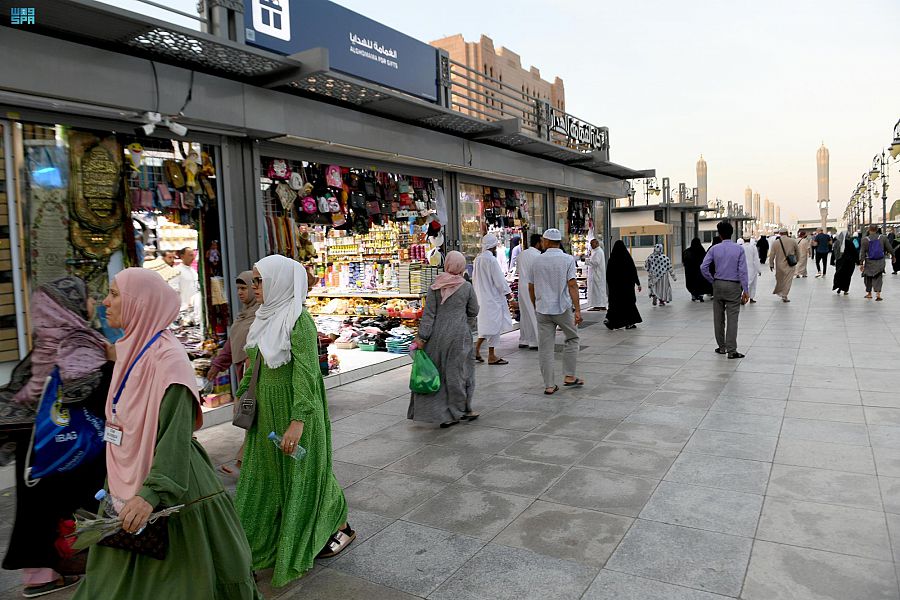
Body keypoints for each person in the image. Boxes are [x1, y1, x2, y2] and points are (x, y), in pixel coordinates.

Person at [74, 268, 261, 600]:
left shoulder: (167, 361)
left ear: (139, 304)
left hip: (169, 482)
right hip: (125, 477)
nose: (105, 301)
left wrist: (150, 494)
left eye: (115, 294)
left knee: (180, 579)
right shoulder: (132, 348)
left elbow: (174, 435)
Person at [235, 255, 352, 587]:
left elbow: (305, 375)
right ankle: (251, 552)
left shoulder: (298, 320)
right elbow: (253, 370)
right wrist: (245, 415)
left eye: (260, 281)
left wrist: (298, 421)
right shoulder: (263, 318)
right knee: (260, 483)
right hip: (265, 415)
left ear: (278, 282)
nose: (255, 287)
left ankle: (335, 522)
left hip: (293, 411)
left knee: (303, 475)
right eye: (253, 281)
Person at [1, 277, 112, 598]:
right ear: (70, 304)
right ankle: (78, 562)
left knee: (35, 510)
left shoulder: (43, 346)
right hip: (77, 447)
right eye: (89, 297)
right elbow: (98, 392)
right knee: (83, 503)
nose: (94, 302)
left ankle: (38, 576)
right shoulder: (84, 345)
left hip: (36, 446)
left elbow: (18, 396)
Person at [410, 251, 479, 427]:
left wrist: (421, 338)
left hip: (436, 337)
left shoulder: (435, 286)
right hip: (459, 336)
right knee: (459, 373)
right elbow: (474, 310)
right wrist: (466, 323)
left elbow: (429, 316)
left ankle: (442, 414)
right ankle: (461, 410)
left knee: (439, 373)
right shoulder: (466, 287)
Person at [207, 271, 259, 475]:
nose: (240, 292)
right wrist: (216, 365)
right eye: (238, 288)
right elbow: (231, 345)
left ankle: (242, 464)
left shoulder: (261, 314)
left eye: (244, 288)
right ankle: (247, 465)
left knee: (253, 419)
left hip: (255, 377)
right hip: (244, 376)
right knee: (251, 418)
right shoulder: (244, 316)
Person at [529, 229, 583, 396]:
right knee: (572, 338)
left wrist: (535, 305)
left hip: (543, 310)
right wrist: (578, 310)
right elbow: (573, 285)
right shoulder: (567, 259)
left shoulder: (537, 261)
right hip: (562, 308)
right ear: (559, 241)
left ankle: (549, 385)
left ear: (545, 241)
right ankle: (569, 375)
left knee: (545, 347)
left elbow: (531, 287)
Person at [701, 221, 750, 359]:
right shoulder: (739, 249)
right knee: (732, 318)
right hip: (734, 286)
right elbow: (743, 272)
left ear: (719, 234)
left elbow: (703, 267)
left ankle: (721, 347)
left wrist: (712, 280)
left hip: (718, 285)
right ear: (732, 233)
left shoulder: (714, 249)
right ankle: (732, 350)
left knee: (718, 318)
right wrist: (745, 290)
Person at [472, 234, 513, 365]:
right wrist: (508, 294)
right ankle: (491, 355)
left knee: (486, 326)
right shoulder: (491, 260)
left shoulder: (477, 260)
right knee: (494, 327)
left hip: (481, 297)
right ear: (493, 246)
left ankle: (476, 349)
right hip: (492, 298)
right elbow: (499, 280)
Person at [604, 240, 642, 330]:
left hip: (615, 289)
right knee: (628, 305)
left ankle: (612, 322)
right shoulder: (627, 258)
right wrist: (638, 283)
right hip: (627, 288)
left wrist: (611, 286)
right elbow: (633, 271)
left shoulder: (612, 259)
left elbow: (608, 275)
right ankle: (629, 323)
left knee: (615, 305)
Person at [516, 234, 542, 348]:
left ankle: (524, 339)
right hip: (532, 286)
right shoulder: (538, 256)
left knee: (524, 313)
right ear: (538, 243)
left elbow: (518, 271)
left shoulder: (522, 254)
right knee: (533, 312)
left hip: (521, 285)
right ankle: (536, 341)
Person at [859, 225, 895, 301]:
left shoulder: (865, 239)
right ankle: (878, 294)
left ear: (869, 230)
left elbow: (862, 252)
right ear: (877, 230)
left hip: (869, 261)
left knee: (868, 277)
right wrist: (893, 256)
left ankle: (869, 293)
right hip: (880, 261)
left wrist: (861, 263)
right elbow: (889, 248)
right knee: (878, 277)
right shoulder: (883, 238)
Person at [769, 228, 799, 302]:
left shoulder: (776, 242)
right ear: (787, 233)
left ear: (780, 233)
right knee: (788, 280)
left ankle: (780, 292)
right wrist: (797, 260)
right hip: (790, 264)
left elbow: (772, 254)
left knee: (780, 279)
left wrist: (771, 264)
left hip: (779, 264)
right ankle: (784, 295)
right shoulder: (792, 241)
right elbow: (797, 252)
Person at [173, 247, 200, 312]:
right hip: (183, 309)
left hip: (195, 308)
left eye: (193, 255)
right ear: (182, 256)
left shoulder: (193, 271)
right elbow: (174, 291)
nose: (193, 258)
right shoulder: (176, 270)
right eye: (190, 255)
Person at [585, 238, 608, 311]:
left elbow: (595, 263)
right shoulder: (596, 251)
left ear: (597, 243)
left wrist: (586, 261)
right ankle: (598, 305)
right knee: (597, 290)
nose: (591, 245)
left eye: (592, 244)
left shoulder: (598, 251)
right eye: (590, 244)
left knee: (597, 290)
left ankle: (599, 305)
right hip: (596, 274)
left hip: (597, 275)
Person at [739, 237, 763, 302]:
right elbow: (756, 259)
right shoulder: (753, 247)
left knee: (745, 283)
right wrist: (759, 270)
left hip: (743, 268)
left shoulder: (741, 247)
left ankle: (744, 295)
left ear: (743, 240)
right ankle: (750, 297)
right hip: (752, 268)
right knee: (753, 284)